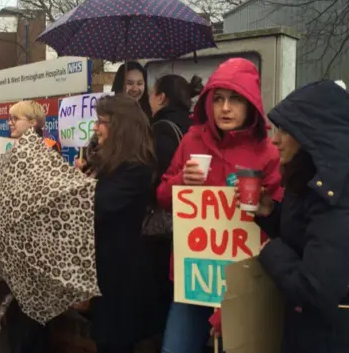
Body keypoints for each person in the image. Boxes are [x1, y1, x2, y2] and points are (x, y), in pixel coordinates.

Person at [252, 80, 349, 352]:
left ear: (311, 134)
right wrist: (271, 213)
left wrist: (272, 253)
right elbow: (311, 236)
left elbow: (316, 289)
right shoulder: (313, 179)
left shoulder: (339, 192)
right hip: (329, 330)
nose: (275, 139)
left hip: (339, 336)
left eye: (285, 130)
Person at [156, 58, 283, 353]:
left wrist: (266, 203)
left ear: (251, 103)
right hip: (194, 279)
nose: (225, 108)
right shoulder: (191, 141)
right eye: (219, 99)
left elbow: (279, 218)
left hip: (244, 282)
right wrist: (180, 182)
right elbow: (162, 196)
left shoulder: (267, 153)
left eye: (236, 99)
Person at [82, 94, 157, 353]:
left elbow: (97, 204)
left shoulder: (136, 168)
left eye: (101, 121)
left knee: (114, 342)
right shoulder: (110, 163)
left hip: (122, 276)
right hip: (106, 269)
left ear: (120, 127)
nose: (95, 127)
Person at [145, 73, 203, 339]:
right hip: (197, 226)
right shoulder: (194, 126)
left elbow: (158, 178)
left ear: (161, 97)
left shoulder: (161, 128)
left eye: (151, 93)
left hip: (168, 225)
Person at [2, 99, 61, 353]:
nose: (10, 122)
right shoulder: (14, 150)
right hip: (19, 241)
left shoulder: (47, 150)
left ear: (34, 123)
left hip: (36, 244)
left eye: (16, 119)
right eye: (10, 118)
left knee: (30, 312)